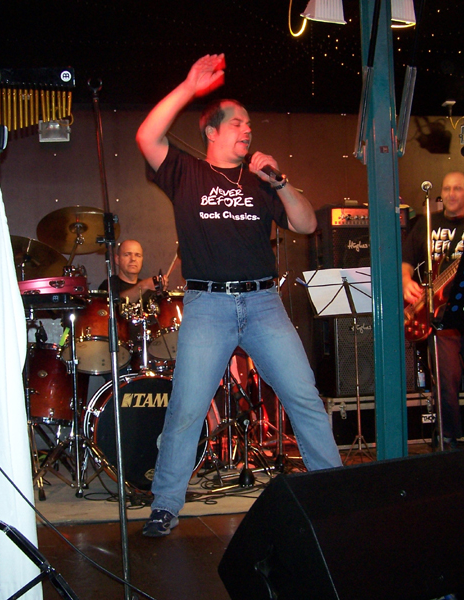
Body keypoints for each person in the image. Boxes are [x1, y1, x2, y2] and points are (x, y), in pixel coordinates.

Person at [135, 53, 342, 536]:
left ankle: (332, 491)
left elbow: (306, 224)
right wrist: (189, 87)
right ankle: (166, 503)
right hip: (208, 305)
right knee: (187, 408)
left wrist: (280, 182)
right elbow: (147, 136)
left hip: (263, 303)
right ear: (212, 131)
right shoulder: (185, 172)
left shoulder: (261, 182)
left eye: (250, 124)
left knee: (304, 397)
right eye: (238, 123)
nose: (248, 130)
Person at [402, 171, 464, 467]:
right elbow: (406, 262)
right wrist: (406, 280)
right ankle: (447, 440)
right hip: (439, 315)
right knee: (446, 380)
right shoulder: (426, 223)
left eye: (458, 188)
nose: (451, 194)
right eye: (446, 189)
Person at [98, 239, 168, 300]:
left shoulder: (150, 289)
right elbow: (116, 304)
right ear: (117, 259)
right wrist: (143, 286)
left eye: (138, 255)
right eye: (127, 254)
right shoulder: (109, 285)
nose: (133, 259)